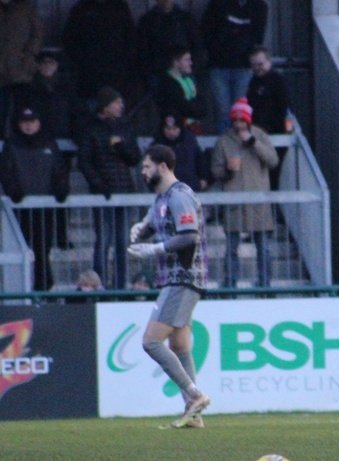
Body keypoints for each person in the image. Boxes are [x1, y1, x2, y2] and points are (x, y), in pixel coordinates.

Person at [128, 143, 210, 429]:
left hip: (183, 278)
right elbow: (153, 225)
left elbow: (189, 237)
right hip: (175, 278)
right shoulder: (161, 199)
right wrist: (141, 228)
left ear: (163, 167)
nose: (143, 171)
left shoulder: (180, 196)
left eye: (147, 166)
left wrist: (153, 250)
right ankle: (193, 414)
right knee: (178, 343)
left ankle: (194, 394)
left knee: (150, 341)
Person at [77, 86, 142, 289]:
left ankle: (121, 284)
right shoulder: (91, 129)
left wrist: (121, 147)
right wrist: (98, 184)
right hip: (102, 195)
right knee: (103, 241)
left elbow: (135, 157)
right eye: (116, 103)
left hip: (123, 193)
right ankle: (100, 284)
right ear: (105, 107)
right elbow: (84, 161)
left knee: (123, 242)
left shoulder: (125, 127)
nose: (120, 106)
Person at [211, 97, 278, 288]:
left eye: (243, 120)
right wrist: (228, 170)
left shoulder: (260, 136)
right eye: (236, 120)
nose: (239, 124)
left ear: (248, 120)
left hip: (259, 202)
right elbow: (215, 171)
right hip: (234, 203)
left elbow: (273, 161)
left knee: (263, 248)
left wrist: (254, 143)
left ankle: (265, 284)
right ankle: (230, 283)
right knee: (231, 248)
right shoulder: (224, 141)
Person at [0, 106, 69, 291]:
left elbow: (59, 170)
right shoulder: (12, 144)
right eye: (25, 122)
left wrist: (60, 190)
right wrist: (14, 192)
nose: (29, 126)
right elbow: (6, 172)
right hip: (19, 210)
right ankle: (19, 289)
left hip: (43, 208)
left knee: (42, 249)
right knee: (18, 250)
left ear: (38, 122)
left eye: (32, 122)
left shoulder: (48, 143)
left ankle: (43, 287)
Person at [200, 0, 267, 134]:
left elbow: (258, 36)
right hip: (219, 65)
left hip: (243, 67)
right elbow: (206, 31)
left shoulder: (259, 6)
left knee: (241, 110)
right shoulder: (218, 4)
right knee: (223, 111)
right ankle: (225, 148)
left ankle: (240, 145)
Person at [61, 0, 138, 104]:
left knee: (115, 114)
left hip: (116, 77)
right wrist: (83, 62)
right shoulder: (81, 9)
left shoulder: (120, 7)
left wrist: (123, 65)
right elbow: (69, 40)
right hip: (89, 77)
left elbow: (131, 40)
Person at [17, 48, 88, 142]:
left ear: (56, 66)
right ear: (38, 66)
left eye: (51, 62)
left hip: (63, 137)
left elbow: (77, 113)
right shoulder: (28, 89)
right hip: (37, 140)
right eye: (44, 62)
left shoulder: (67, 89)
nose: (47, 65)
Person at [247, 45, 291, 189]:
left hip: (274, 134)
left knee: (273, 174)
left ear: (269, 62)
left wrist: (269, 126)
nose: (257, 68)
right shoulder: (253, 82)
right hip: (259, 134)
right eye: (253, 65)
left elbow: (282, 107)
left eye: (260, 64)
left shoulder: (277, 80)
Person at [136, 0, 204, 94]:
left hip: (184, 72)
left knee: (188, 103)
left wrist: (192, 67)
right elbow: (142, 50)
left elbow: (197, 45)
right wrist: (149, 72)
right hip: (158, 74)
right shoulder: (147, 21)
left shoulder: (185, 19)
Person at [0, 0, 42, 132]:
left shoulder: (26, 7)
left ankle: (21, 147)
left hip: (21, 71)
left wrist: (29, 57)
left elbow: (37, 34)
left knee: (23, 114)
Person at [154, 45, 208, 135]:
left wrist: (195, 107)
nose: (191, 63)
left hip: (193, 127)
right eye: (187, 60)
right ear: (176, 62)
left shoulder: (188, 80)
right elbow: (182, 107)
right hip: (177, 130)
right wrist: (196, 107)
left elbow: (202, 103)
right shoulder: (167, 83)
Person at [150, 112, 209, 192]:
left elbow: (200, 161)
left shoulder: (190, 141)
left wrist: (203, 178)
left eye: (174, 129)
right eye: (168, 129)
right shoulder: (156, 146)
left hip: (190, 188)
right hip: (165, 191)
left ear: (180, 129)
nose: (171, 132)